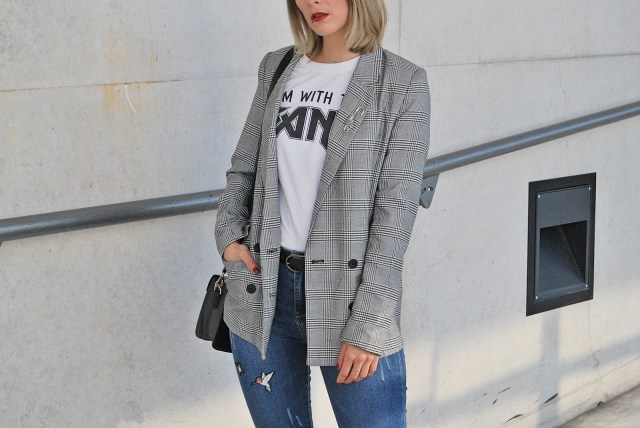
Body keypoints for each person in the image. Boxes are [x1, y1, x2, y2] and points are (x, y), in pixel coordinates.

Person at [215, 0, 430, 426]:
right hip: (263, 289)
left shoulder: (402, 82)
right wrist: (229, 238)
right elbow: (244, 167)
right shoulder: (277, 67)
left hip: (348, 297)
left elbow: (396, 213)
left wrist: (369, 322)